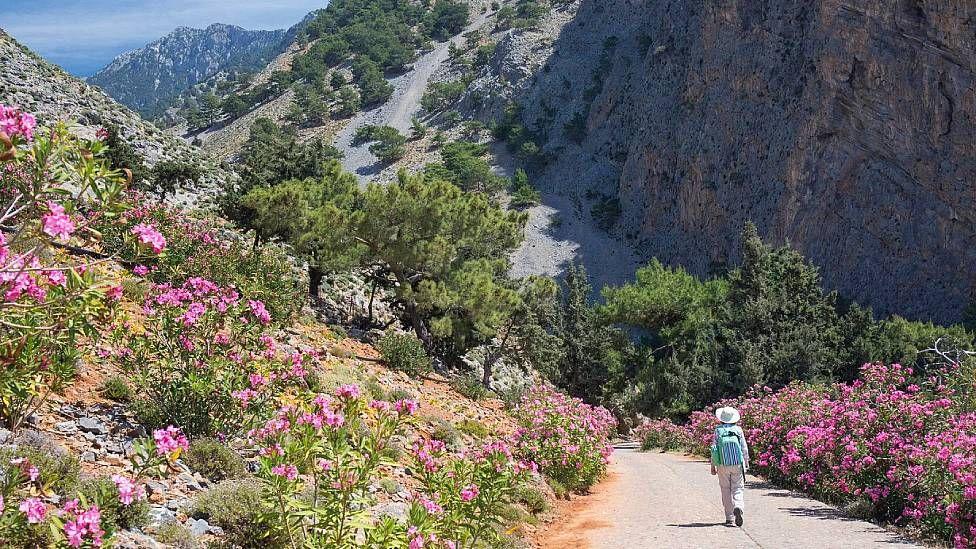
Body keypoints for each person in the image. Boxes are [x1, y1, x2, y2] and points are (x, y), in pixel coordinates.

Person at [710, 406, 749, 527]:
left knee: (725, 490)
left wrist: (713, 466)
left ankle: (729, 518)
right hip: (737, 464)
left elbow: (714, 449)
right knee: (737, 488)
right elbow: (744, 448)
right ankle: (738, 506)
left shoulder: (718, 430)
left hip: (722, 464)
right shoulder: (738, 430)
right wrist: (746, 463)